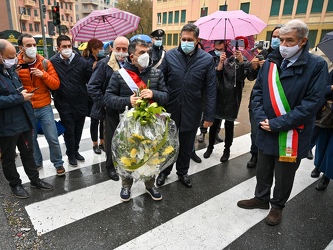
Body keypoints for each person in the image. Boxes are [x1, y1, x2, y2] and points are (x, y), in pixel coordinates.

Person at [237, 19, 328, 226]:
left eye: (290, 40)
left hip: (292, 133)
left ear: (303, 41)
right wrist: (261, 119)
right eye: (280, 40)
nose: (284, 45)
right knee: (263, 168)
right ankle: (260, 198)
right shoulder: (270, 62)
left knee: (284, 173)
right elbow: (258, 92)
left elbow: (312, 103)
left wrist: (278, 123)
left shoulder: (316, 66)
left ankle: (277, 207)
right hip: (266, 127)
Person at [0, 39, 53, 199]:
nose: (14, 59)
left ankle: (35, 179)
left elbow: (17, 90)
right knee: (8, 157)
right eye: (10, 56)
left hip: (22, 119)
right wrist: (20, 98)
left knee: (28, 152)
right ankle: (15, 184)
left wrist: (24, 96)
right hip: (4, 123)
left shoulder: (6, 69)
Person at [104, 39, 168, 202]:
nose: (146, 55)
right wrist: (127, 101)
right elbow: (109, 98)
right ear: (132, 56)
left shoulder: (156, 73)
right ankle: (126, 185)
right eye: (141, 52)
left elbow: (166, 96)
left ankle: (150, 185)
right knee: (128, 155)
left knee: (150, 155)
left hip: (150, 124)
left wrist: (154, 94)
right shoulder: (119, 75)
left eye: (147, 52)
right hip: (128, 125)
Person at [156, 23, 216, 188]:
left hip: (193, 109)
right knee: (167, 144)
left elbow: (211, 89)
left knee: (186, 144)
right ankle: (164, 172)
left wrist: (209, 115)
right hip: (171, 108)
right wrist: (157, 105)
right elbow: (161, 81)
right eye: (184, 39)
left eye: (190, 39)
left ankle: (182, 172)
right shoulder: (170, 56)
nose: (186, 42)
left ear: (197, 41)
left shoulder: (206, 59)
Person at [16, 33, 65, 176]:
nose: (32, 48)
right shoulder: (15, 64)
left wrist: (43, 74)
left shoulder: (44, 63)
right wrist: (15, 75)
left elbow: (56, 85)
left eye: (34, 45)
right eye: (28, 45)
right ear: (21, 48)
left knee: (52, 137)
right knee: (31, 140)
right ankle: (37, 162)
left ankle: (58, 163)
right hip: (26, 107)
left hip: (44, 107)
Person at [203, 36, 258, 162]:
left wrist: (241, 63)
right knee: (214, 124)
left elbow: (241, 78)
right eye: (234, 45)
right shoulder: (226, 60)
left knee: (229, 125)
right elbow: (216, 77)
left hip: (233, 99)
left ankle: (227, 149)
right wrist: (221, 63)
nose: (237, 48)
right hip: (220, 96)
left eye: (240, 46)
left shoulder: (246, 62)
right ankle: (210, 147)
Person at [87, 36, 129, 181]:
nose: (121, 52)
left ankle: (124, 163)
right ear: (112, 48)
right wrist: (104, 103)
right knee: (110, 139)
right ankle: (110, 167)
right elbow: (93, 87)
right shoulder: (104, 64)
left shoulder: (130, 64)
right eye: (118, 49)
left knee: (126, 138)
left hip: (128, 108)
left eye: (124, 49)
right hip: (110, 109)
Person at [50, 35, 90, 166]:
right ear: (58, 48)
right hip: (63, 102)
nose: (67, 49)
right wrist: (56, 94)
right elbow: (50, 81)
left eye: (69, 46)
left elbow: (89, 79)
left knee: (78, 129)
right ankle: (70, 154)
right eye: (64, 47)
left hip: (80, 101)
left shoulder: (82, 62)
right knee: (69, 129)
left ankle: (76, 150)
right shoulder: (53, 62)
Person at [247, 26, 281, 168]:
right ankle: (254, 154)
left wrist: (269, 67)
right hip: (259, 100)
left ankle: (269, 156)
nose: (277, 40)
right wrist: (254, 67)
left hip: (277, 101)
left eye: (280, 37)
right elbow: (250, 77)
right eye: (274, 36)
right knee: (255, 131)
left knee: (273, 131)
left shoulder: (286, 58)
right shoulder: (264, 53)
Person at [82, 38, 105, 155]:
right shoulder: (87, 61)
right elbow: (87, 80)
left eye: (102, 48)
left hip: (102, 94)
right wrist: (92, 70)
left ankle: (102, 142)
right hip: (92, 97)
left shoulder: (103, 60)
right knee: (94, 120)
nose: (101, 50)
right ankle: (95, 143)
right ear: (93, 49)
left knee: (103, 120)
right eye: (99, 48)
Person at [313, 73, 333, 191]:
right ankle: (318, 166)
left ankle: (326, 176)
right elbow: (320, 89)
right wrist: (331, 88)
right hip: (327, 115)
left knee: (331, 149)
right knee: (322, 143)